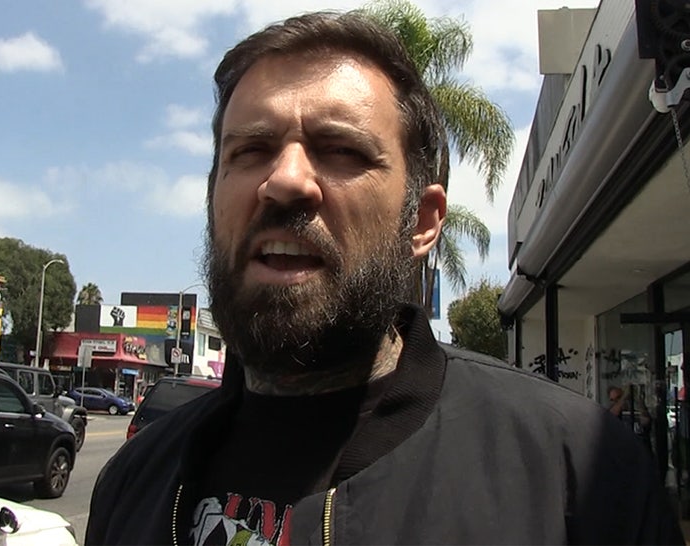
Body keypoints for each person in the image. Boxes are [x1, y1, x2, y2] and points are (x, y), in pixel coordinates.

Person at [85, 10, 684, 546]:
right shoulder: (134, 480)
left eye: (341, 150)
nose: (285, 180)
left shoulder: (577, 475)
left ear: (421, 222)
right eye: (251, 150)